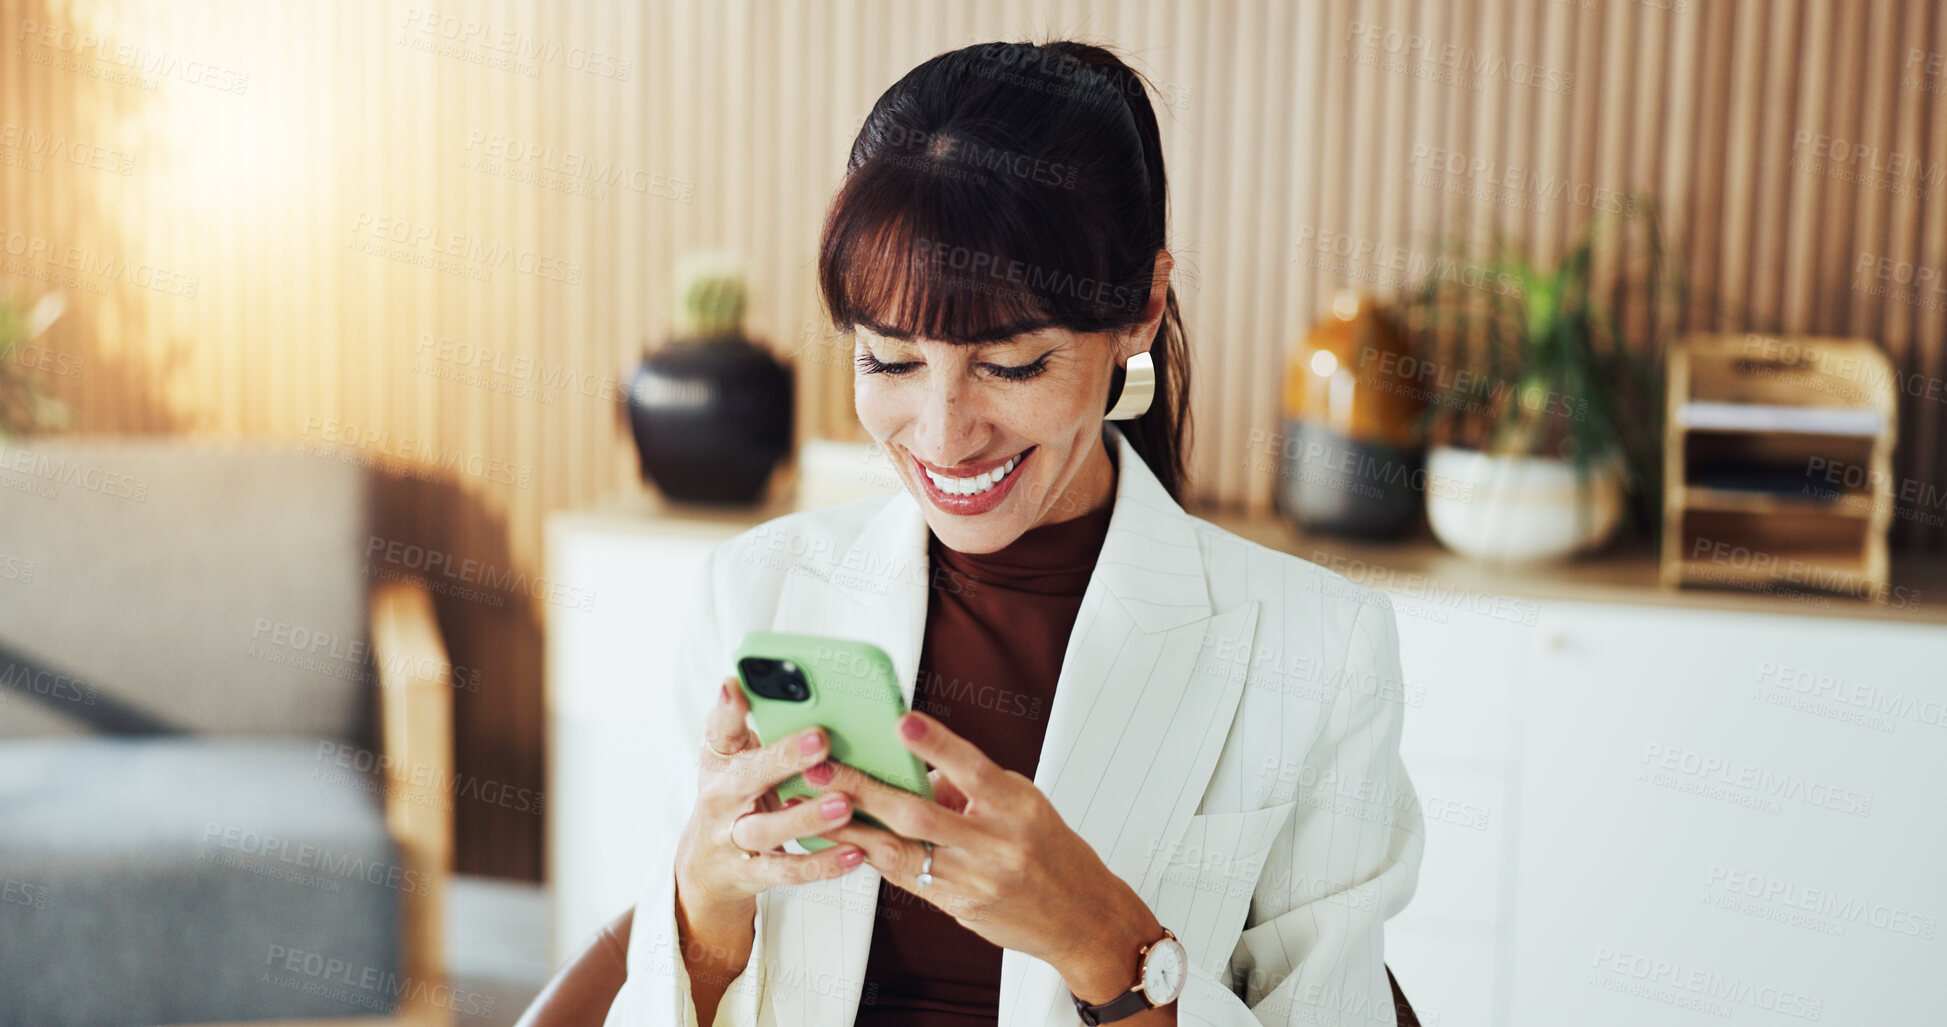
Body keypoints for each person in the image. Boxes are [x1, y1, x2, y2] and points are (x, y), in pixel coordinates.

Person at [604, 40, 1423, 1027]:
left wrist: (1105, 942)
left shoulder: (1319, 653)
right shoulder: (755, 591)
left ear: (1141, 308)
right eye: (889, 361)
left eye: (1016, 366)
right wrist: (706, 896)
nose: (945, 435)